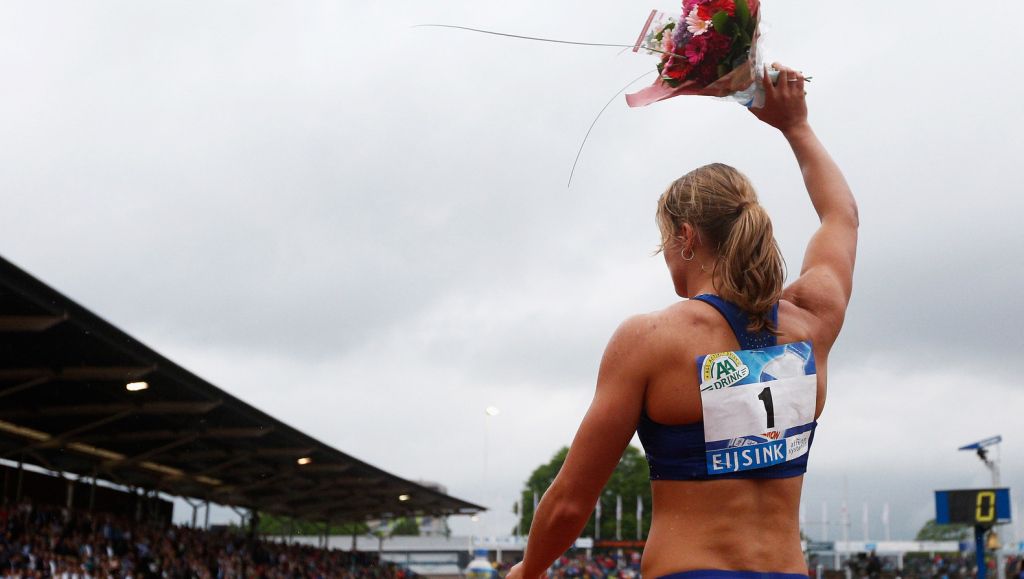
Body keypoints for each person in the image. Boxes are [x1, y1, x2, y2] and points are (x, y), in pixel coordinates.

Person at [506, 63, 858, 579]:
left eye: (665, 241)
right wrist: (796, 126)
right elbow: (841, 217)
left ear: (687, 238)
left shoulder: (651, 340)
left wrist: (528, 571)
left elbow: (568, 503)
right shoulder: (811, 321)